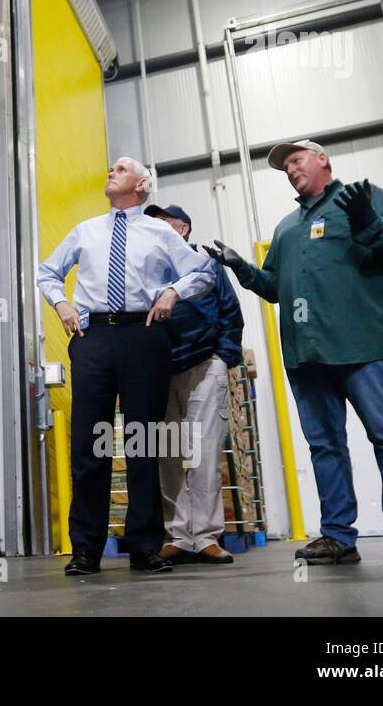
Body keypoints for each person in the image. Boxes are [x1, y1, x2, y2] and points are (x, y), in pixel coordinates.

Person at [205, 139, 383, 566]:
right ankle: (336, 536)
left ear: (322, 159)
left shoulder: (364, 199)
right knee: (325, 446)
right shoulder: (288, 228)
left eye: (296, 159)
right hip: (306, 354)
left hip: (364, 345)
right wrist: (241, 269)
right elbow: (274, 286)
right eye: (284, 166)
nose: (290, 169)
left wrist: (367, 220)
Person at [37, 159, 216, 576]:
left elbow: (204, 272)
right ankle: (86, 549)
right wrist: (62, 303)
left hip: (144, 336)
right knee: (88, 446)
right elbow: (48, 272)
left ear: (141, 184)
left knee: (144, 444)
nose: (111, 170)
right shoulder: (87, 231)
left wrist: (173, 289)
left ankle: (144, 546)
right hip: (93, 339)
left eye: (121, 168)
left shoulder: (160, 232)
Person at [144, 203, 243, 566]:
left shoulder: (205, 263)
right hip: (158, 371)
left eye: (163, 223)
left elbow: (231, 313)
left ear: (183, 229)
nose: (153, 229)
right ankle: (178, 536)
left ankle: (206, 537)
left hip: (205, 365)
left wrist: (223, 357)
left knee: (203, 452)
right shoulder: (146, 269)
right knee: (167, 455)